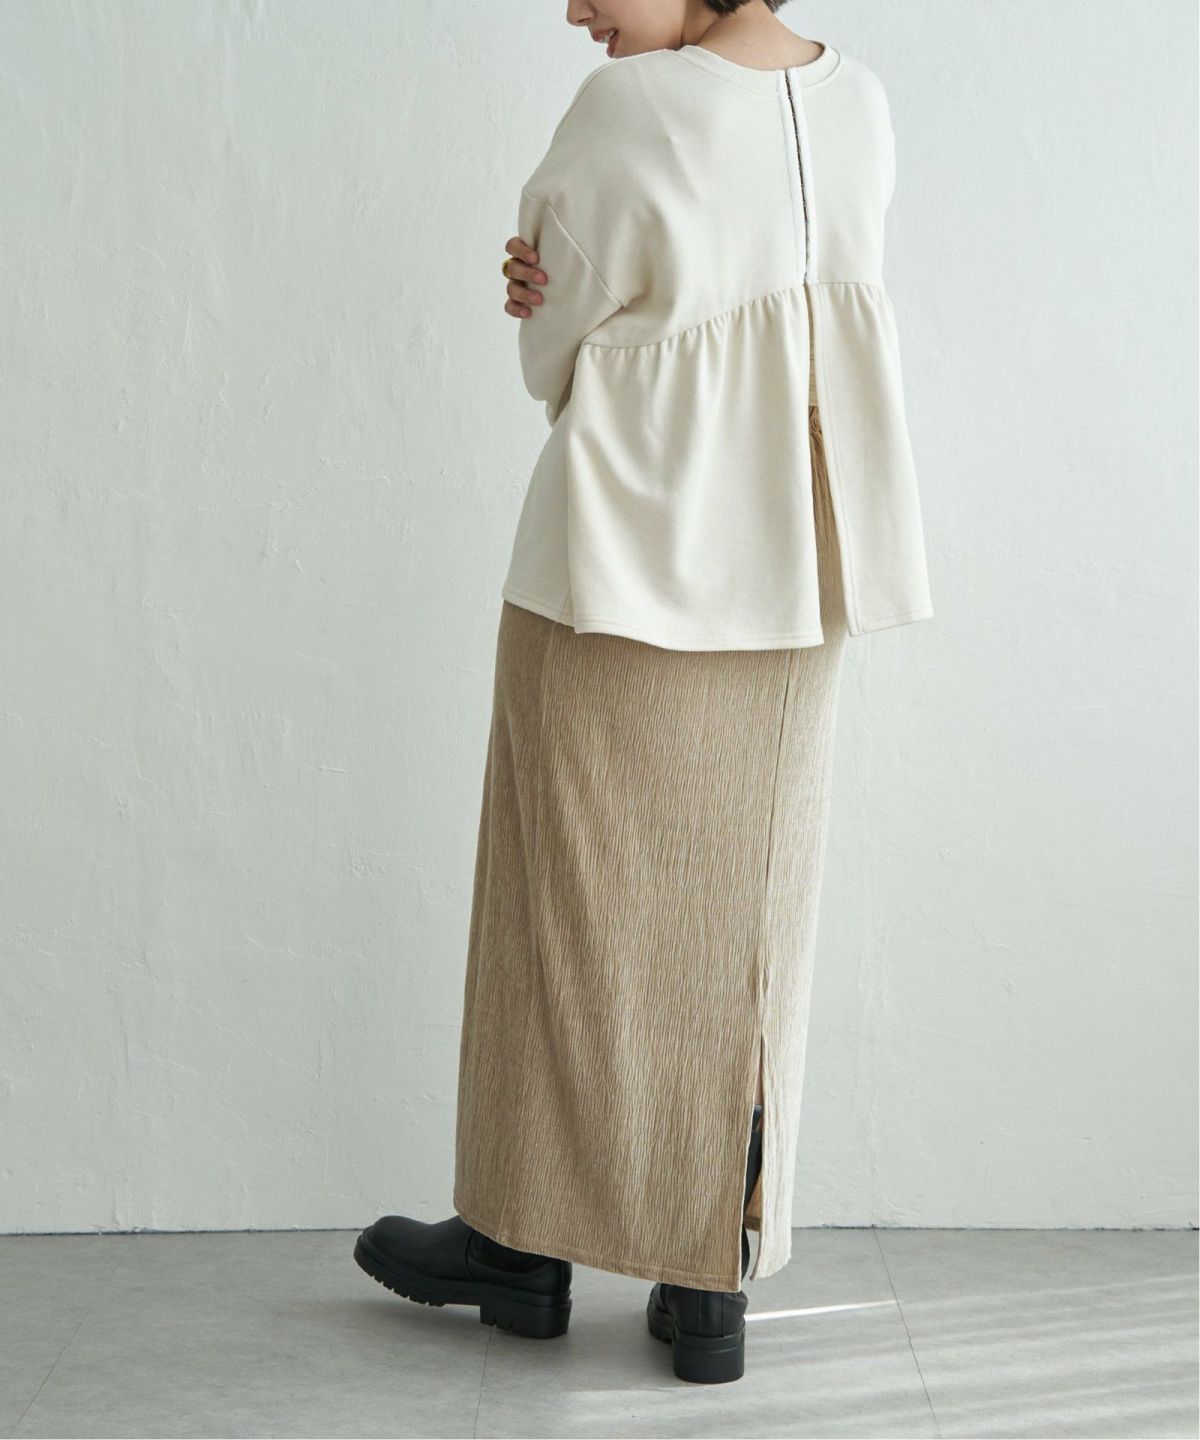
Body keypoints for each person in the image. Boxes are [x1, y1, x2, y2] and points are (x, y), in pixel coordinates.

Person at [355, 0, 933, 1386]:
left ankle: (521, 1247)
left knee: (559, 909)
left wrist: (541, 292)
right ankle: (708, 1272)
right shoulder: (861, 105)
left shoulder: (631, 109)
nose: (576, 10)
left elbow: (550, 355)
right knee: (749, 929)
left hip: (611, 565)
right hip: (797, 575)